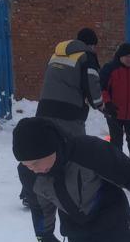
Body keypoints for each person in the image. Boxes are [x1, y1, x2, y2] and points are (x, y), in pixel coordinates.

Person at [18, 29, 105, 207]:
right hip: (69, 113)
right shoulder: (86, 56)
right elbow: (92, 85)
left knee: (42, 149)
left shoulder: (56, 55)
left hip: (45, 108)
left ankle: (30, 194)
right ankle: (76, 193)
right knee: (76, 150)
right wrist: (101, 105)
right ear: (91, 45)